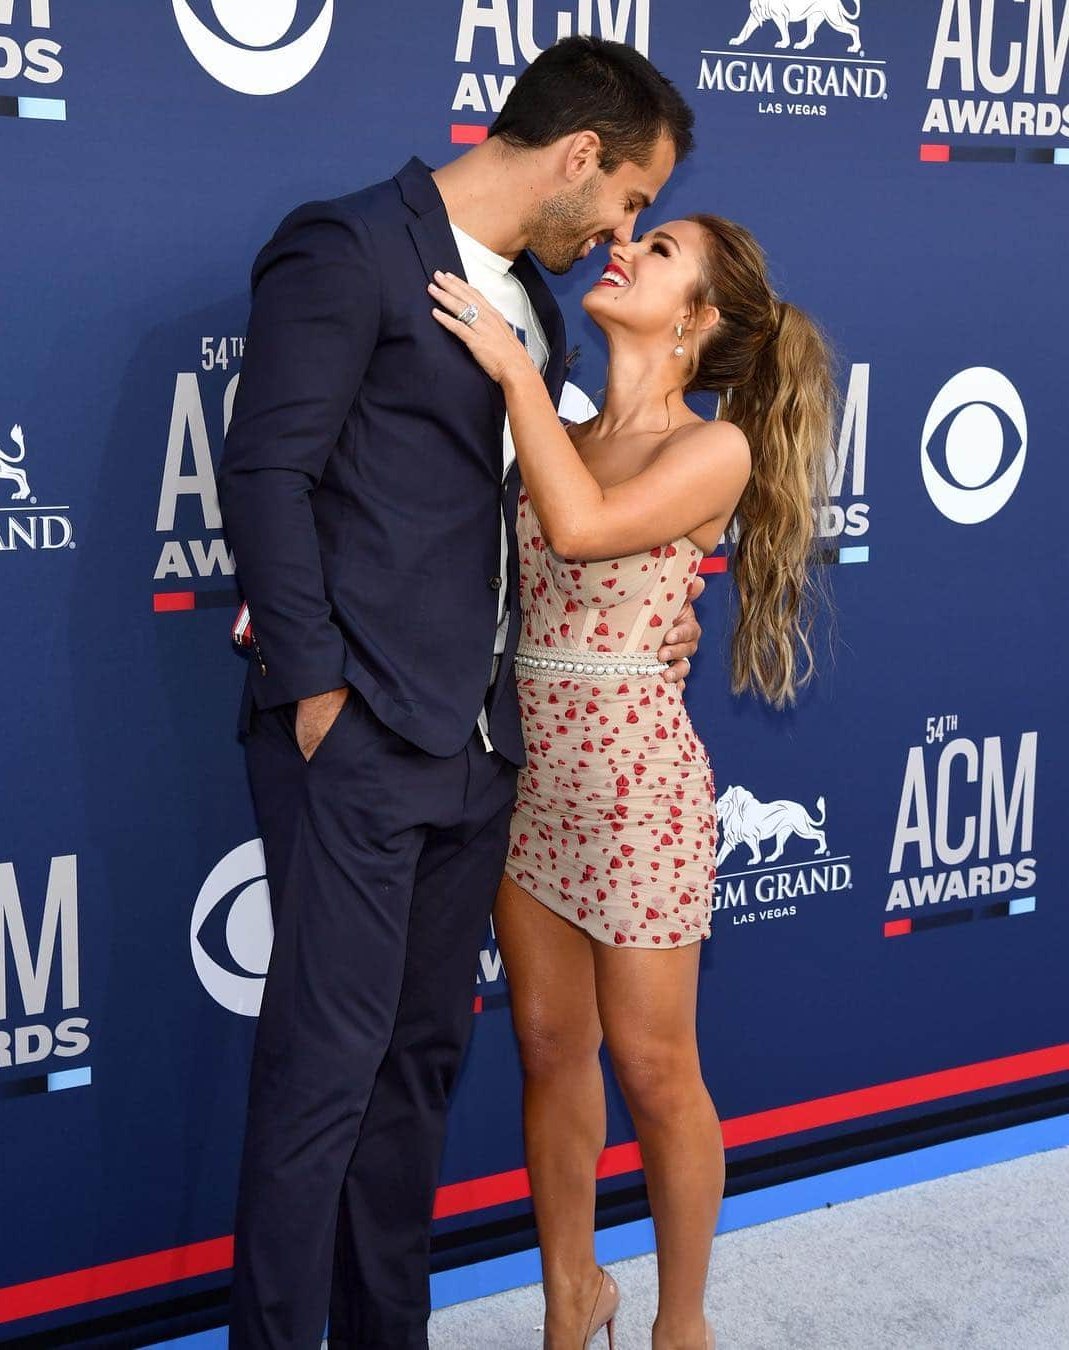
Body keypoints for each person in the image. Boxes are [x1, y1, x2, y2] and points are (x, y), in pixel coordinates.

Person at [215, 35, 706, 1350]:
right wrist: (318, 695)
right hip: (357, 737)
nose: (622, 226)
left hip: (481, 751)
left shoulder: (534, 316)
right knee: (321, 1077)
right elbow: (265, 477)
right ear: (580, 155)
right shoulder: (346, 245)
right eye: (631, 198)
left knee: (415, 1077)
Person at [428, 209, 840, 1349]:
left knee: (659, 1072)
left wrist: (509, 364)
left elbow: (580, 523)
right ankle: (573, 1301)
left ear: (697, 320)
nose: (626, 251)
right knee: (552, 1050)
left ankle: (683, 1325)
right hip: (529, 781)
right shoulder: (556, 415)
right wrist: (527, 386)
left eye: (658, 254)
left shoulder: (715, 446)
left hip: (637, 792)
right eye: (635, 237)